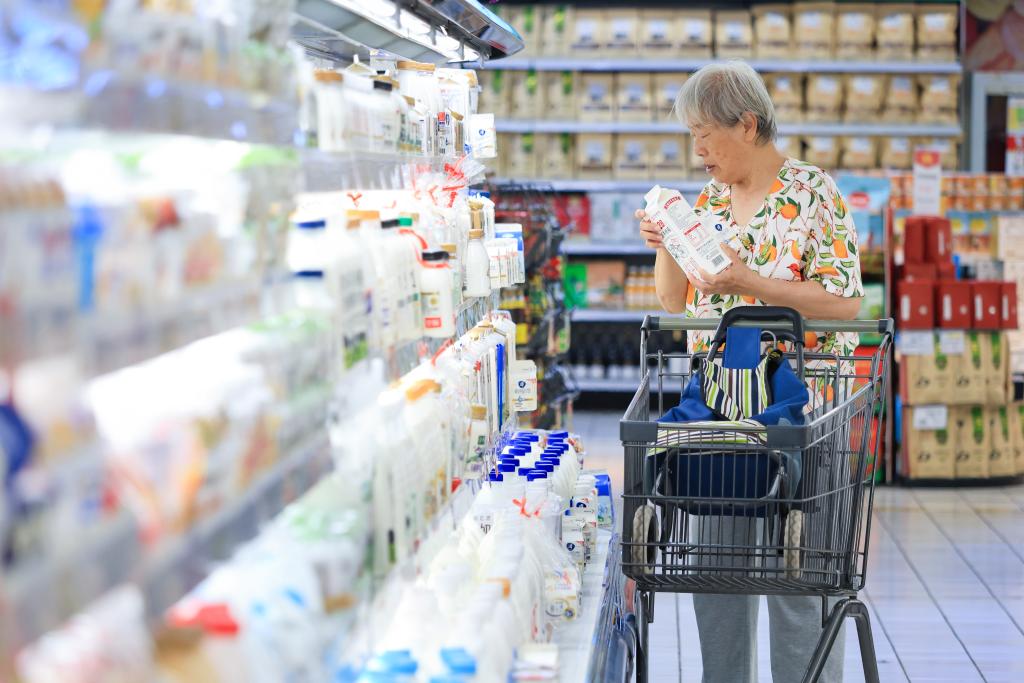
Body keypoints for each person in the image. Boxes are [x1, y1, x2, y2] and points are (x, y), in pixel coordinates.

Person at [636, 61, 864, 683]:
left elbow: (844, 303)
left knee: (800, 582)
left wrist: (749, 283)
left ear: (749, 123)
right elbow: (673, 302)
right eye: (691, 136)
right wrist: (665, 243)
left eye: (706, 132)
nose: (698, 149)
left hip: (802, 416)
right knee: (718, 576)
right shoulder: (706, 203)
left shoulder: (815, 193)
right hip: (719, 413)